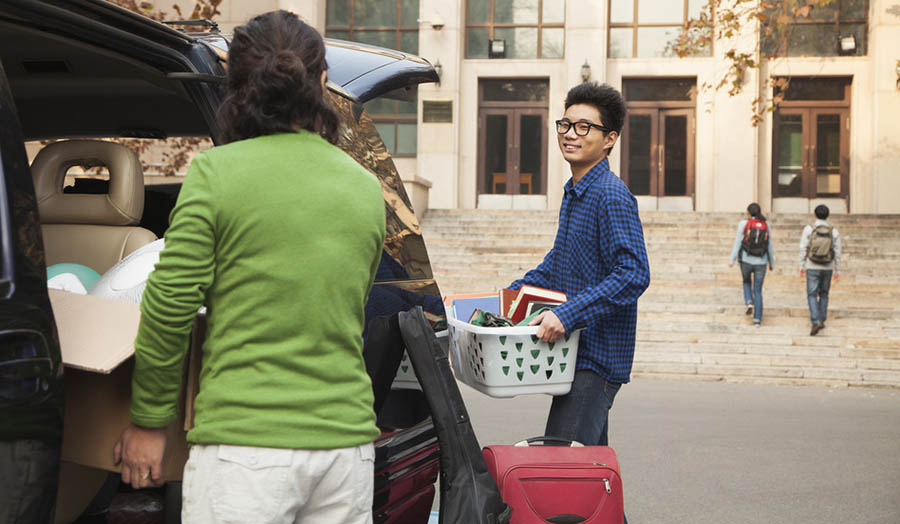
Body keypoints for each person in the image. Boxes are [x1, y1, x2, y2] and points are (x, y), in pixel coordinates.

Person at [113, 11, 385, 524]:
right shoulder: (365, 188)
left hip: (246, 450)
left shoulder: (216, 174)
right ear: (323, 83)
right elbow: (349, 305)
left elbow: (169, 306)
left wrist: (149, 422)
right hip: (346, 449)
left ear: (236, 89)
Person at [507, 82, 650, 450]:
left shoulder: (611, 194)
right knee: (585, 477)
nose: (570, 134)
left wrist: (567, 314)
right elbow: (560, 261)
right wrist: (512, 295)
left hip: (596, 357)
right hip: (575, 354)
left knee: (561, 467)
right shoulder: (575, 192)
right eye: (565, 125)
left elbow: (633, 274)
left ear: (609, 139)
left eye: (584, 127)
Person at [729, 203, 774, 326]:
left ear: (748, 213)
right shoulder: (765, 225)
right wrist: (771, 262)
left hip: (746, 260)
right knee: (758, 290)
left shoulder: (743, 224)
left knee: (746, 282)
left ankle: (749, 301)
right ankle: (757, 320)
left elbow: (738, 242)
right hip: (761, 261)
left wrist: (732, 259)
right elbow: (769, 246)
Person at [799, 204, 841, 336]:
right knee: (824, 293)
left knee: (811, 294)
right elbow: (838, 252)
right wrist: (837, 270)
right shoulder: (833, 231)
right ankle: (821, 319)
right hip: (827, 267)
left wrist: (801, 265)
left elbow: (803, 248)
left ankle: (815, 320)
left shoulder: (809, 229)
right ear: (827, 216)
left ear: (815, 214)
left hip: (812, 265)